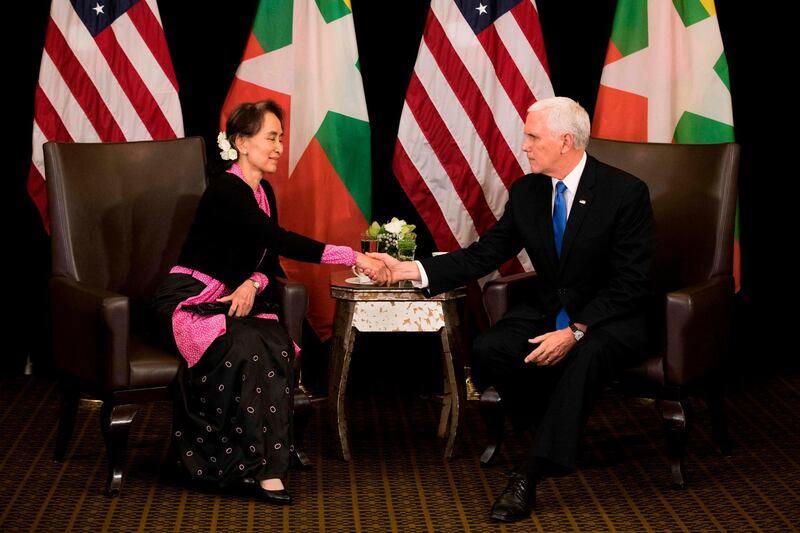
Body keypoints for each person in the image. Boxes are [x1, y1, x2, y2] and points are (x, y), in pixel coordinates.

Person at [366, 96, 655, 522]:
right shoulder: (527, 192)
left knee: (587, 353)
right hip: (551, 307)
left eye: (533, 137)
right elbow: (483, 254)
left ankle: (530, 474)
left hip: (613, 316)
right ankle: (553, 429)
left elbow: (632, 283)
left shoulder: (625, 192)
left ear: (565, 141)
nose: (524, 146)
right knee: (490, 349)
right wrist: (407, 270)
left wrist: (575, 331)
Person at [152, 100, 387, 504]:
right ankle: (234, 465)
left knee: (275, 342)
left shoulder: (264, 191)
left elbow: (268, 259)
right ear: (242, 142)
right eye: (271, 137)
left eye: (281, 137)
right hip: (190, 299)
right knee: (245, 348)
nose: (279, 146)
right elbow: (280, 240)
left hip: (232, 299)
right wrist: (353, 255)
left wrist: (250, 283)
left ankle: (263, 462)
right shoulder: (226, 189)